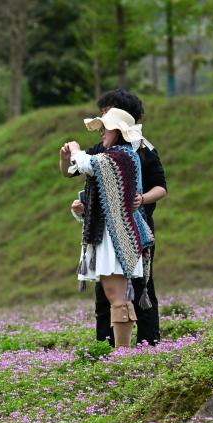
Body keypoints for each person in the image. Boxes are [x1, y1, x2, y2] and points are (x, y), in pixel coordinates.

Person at [60, 90, 167, 345]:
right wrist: (84, 206)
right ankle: (109, 347)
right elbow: (82, 173)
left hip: (127, 231)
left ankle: (141, 346)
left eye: (105, 118)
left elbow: (88, 164)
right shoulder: (108, 149)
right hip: (108, 230)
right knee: (108, 293)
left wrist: (75, 149)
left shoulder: (131, 152)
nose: (101, 125)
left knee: (138, 292)